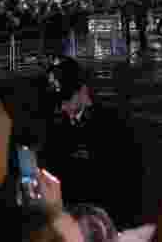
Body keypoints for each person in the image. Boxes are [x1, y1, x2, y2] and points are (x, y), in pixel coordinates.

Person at [40, 56, 144, 229]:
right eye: (57, 101)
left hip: (104, 223)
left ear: (83, 90)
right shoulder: (55, 126)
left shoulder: (114, 126)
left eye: (66, 99)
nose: (61, 106)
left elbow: (129, 185)